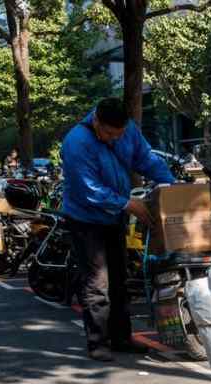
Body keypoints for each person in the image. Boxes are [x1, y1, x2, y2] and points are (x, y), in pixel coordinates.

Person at [62, 97, 175, 362]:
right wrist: (126, 203)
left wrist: (172, 184)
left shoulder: (129, 131)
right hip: (86, 219)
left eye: (119, 134)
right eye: (109, 134)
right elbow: (88, 190)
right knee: (98, 281)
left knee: (119, 279)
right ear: (96, 121)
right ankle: (98, 342)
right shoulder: (77, 142)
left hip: (114, 218)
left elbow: (145, 158)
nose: (114, 139)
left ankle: (122, 338)